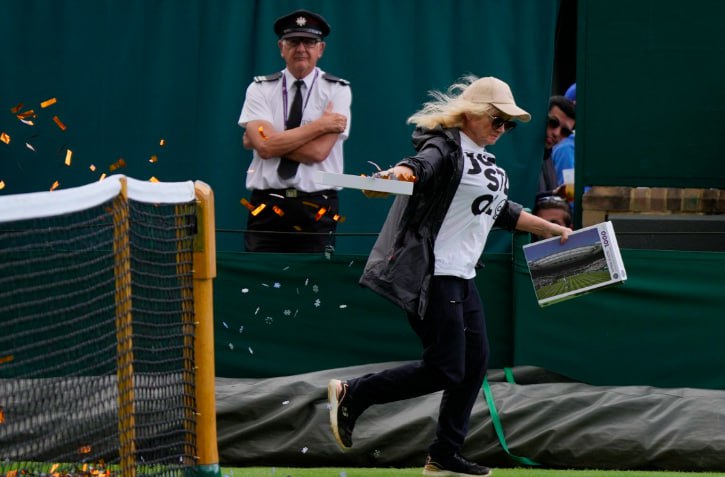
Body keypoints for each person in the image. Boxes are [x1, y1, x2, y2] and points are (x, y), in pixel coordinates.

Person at [326, 75, 571, 477]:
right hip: (433, 274)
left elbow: (502, 211)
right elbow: (419, 167)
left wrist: (554, 230)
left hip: (461, 276)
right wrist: (395, 178)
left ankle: (444, 454)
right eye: (497, 120)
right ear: (474, 114)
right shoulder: (445, 146)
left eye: (508, 125)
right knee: (446, 367)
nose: (502, 130)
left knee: (474, 365)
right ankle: (355, 393)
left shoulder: (484, 159)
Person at [238, 9, 351, 253]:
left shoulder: (337, 90)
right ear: (281, 47)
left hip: (317, 206)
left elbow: (318, 152)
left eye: (309, 42)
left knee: (314, 285)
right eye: (293, 41)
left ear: (320, 49)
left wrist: (263, 139)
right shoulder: (260, 89)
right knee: (259, 282)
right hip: (266, 204)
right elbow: (266, 148)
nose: (301, 48)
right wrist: (320, 126)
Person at [538, 95, 575, 195]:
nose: (557, 133)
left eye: (565, 131)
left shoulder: (548, 156)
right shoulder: (565, 149)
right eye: (553, 123)